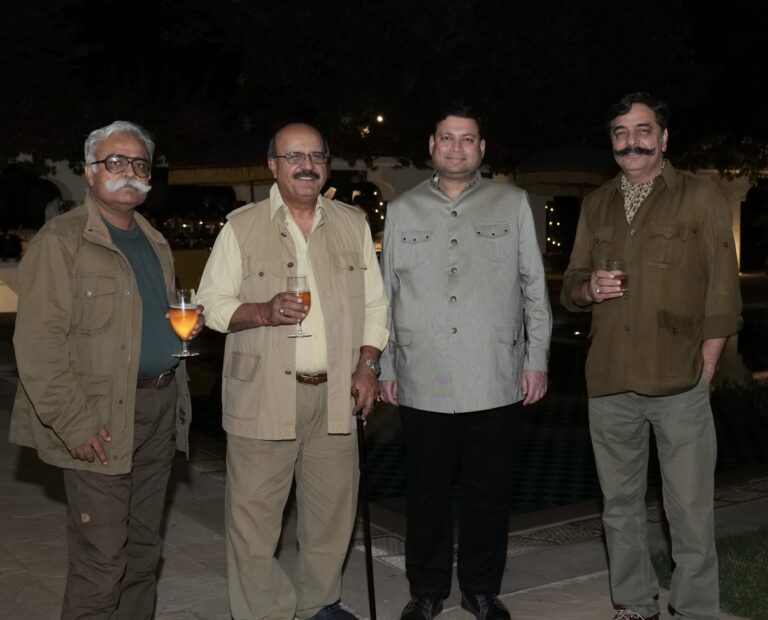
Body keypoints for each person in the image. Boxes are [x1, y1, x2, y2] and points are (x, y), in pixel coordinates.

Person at [10, 120, 204, 619]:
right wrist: (73, 421)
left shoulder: (153, 240)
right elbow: (37, 343)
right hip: (99, 418)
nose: (130, 173)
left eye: (139, 164)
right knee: (102, 561)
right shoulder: (62, 241)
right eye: (115, 162)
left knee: (142, 554)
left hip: (159, 409)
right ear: (89, 173)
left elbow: (143, 318)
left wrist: (178, 334)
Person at [195, 122, 389, 620]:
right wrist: (260, 311)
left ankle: (318, 604)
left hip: (336, 396)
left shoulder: (353, 223)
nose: (307, 164)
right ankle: (265, 613)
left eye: (316, 155)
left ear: (326, 164)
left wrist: (368, 366)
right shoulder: (241, 226)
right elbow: (210, 305)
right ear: (273, 166)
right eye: (294, 155)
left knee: (331, 517)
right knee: (255, 522)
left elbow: (374, 306)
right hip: (263, 395)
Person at [560, 92, 742, 620]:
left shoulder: (700, 198)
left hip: (679, 383)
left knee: (689, 511)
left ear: (664, 138)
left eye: (642, 130)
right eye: (620, 132)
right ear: (612, 141)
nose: (631, 141)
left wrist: (706, 366)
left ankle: (694, 608)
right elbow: (570, 284)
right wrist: (588, 289)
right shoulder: (595, 205)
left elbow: (722, 293)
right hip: (610, 380)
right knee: (619, 509)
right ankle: (635, 604)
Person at [378, 104, 552, 620]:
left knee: (489, 492)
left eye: (468, 139)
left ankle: (481, 589)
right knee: (426, 491)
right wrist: (385, 366)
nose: (457, 148)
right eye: (447, 138)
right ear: (431, 146)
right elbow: (385, 295)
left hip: (493, 374)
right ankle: (427, 590)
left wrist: (536, 358)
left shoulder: (513, 202)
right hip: (421, 373)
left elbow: (533, 289)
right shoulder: (403, 209)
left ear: (482, 149)